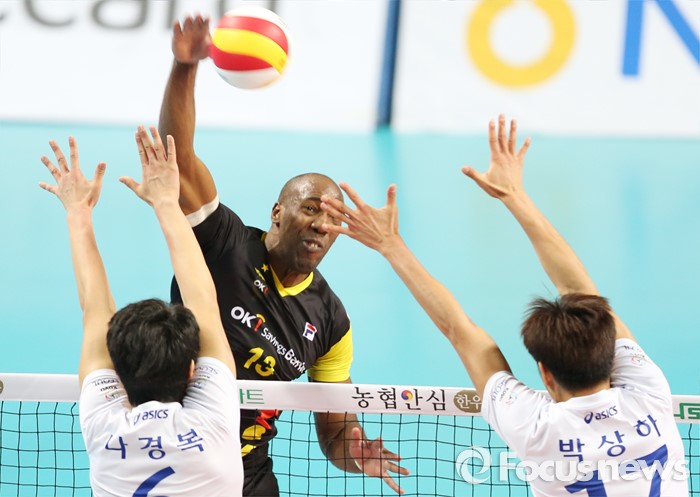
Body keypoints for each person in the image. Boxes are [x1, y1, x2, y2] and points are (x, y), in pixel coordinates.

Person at [319, 115, 689, 496]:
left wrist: (391, 245)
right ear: (609, 351)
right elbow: (581, 291)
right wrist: (516, 195)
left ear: (546, 374)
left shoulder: (537, 429)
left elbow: (460, 331)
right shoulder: (649, 394)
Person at [158, 15, 408, 495]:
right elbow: (180, 160)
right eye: (311, 209)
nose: (321, 225)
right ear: (278, 212)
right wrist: (185, 67)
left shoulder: (331, 322)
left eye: (333, 218)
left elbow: (335, 431)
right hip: (175, 457)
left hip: (247, 473)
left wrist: (354, 453)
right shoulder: (224, 242)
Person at [39, 126, 244, 496]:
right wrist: (166, 201)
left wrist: (78, 212)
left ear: (118, 374)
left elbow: (94, 309)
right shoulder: (214, 421)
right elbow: (203, 300)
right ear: (191, 370)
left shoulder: (103, 428)